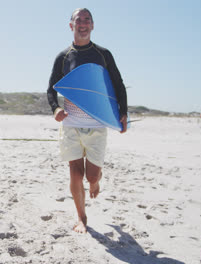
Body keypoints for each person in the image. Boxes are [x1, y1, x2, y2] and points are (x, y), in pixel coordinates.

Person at [47, 8, 128, 233]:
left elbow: (118, 84)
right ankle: (82, 217)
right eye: (78, 20)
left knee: (91, 175)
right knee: (75, 172)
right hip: (71, 123)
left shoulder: (103, 54)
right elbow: (51, 89)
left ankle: (95, 181)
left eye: (87, 20)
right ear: (71, 25)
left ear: (92, 25)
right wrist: (55, 109)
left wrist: (123, 113)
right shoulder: (63, 57)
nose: (82, 23)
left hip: (96, 124)